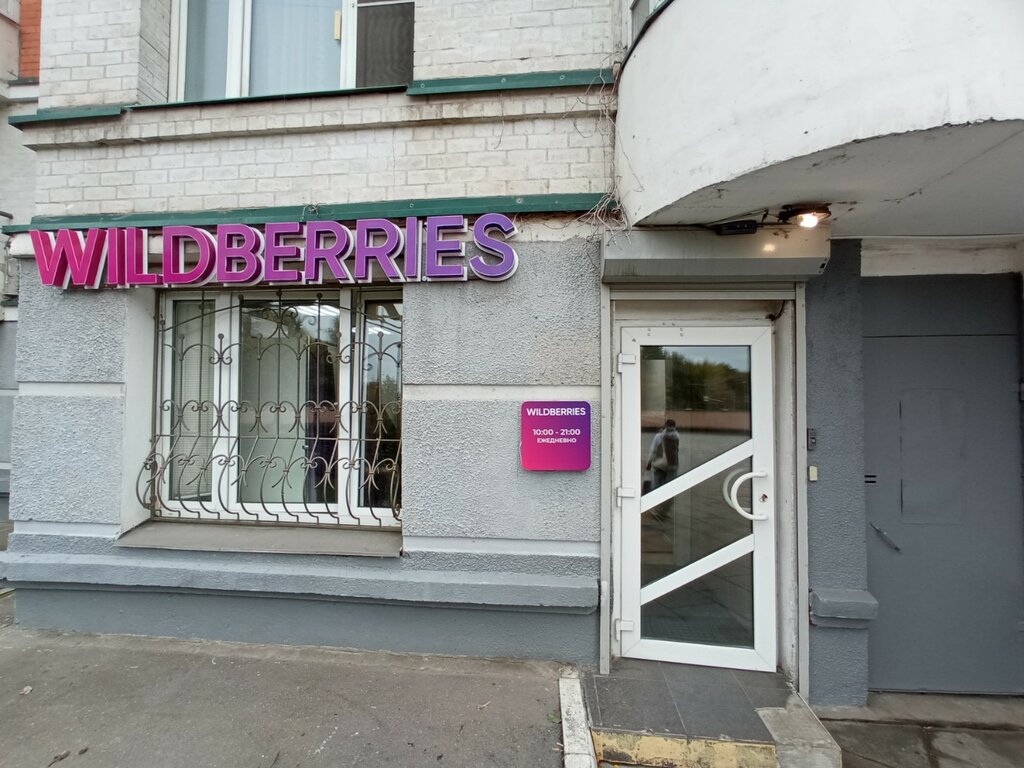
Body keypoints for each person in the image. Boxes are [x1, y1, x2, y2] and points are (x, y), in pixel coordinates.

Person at [646, 419, 680, 490]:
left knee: (657, 488)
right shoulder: (677, 436)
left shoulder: (659, 436)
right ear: (674, 426)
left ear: (665, 425)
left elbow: (653, 451)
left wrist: (649, 462)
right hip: (672, 465)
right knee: (669, 488)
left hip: (659, 465)